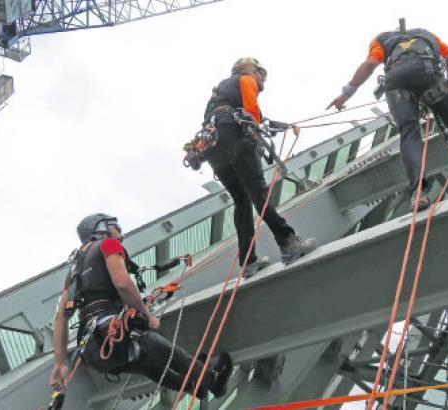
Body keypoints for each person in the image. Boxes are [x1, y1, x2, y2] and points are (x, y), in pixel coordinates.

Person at [49, 213, 232, 400]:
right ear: (101, 228)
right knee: (160, 346)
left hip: (93, 352)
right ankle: (212, 380)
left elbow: (60, 319)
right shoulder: (108, 245)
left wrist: (60, 363)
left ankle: (191, 386)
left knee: (149, 365)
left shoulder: (73, 271)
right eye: (116, 228)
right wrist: (148, 316)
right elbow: (122, 284)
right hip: (111, 333)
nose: (121, 235)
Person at [327, 25, 448, 210]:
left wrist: (345, 95)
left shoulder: (382, 39)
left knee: (409, 133)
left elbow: (370, 64)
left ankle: (418, 193)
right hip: (430, 77)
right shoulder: (428, 35)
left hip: (397, 84)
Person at [202, 57, 317, 277]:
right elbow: (252, 112)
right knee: (258, 189)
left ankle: (248, 263)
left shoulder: (221, 94)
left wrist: (283, 126)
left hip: (213, 146)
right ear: (253, 70)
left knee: (242, 201)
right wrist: (253, 133)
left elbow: (257, 117)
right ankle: (288, 243)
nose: (263, 79)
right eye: (262, 74)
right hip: (234, 136)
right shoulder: (245, 79)